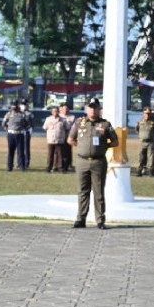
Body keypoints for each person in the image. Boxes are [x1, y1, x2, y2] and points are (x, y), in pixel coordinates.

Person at [67, 97, 118, 230]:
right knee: (83, 191)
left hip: (98, 161)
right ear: (86, 109)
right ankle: (80, 219)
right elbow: (70, 139)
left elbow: (115, 141)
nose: (92, 110)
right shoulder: (79, 123)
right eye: (90, 107)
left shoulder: (105, 124)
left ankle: (100, 220)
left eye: (95, 107)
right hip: (82, 161)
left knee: (98, 192)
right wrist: (82, 147)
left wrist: (103, 147)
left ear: (99, 109)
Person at [135, 107, 154, 177]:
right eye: (146, 114)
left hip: (150, 142)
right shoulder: (139, 121)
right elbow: (137, 130)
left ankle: (151, 171)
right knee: (141, 157)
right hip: (142, 142)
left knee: (151, 157)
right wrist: (142, 136)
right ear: (143, 114)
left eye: (148, 114)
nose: (147, 115)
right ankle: (139, 171)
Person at [1, 101, 29, 172]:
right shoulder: (8, 114)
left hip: (20, 134)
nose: (14, 107)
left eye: (15, 105)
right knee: (11, 151)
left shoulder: (22, 115)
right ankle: (9, 166)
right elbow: (3, 123)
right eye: (12, 105)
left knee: (21, 152)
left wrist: (23, 128)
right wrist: (6, 128)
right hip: (11, 134)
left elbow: (27, 124)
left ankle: (22, 167)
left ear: (17, 105)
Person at [42, 106, 67, 173]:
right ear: (52, 112)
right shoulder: (48, 119)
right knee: (50, 154)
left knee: (60, 155)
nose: (55, 113)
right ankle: (49, 167)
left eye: (57, 111)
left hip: (60, 140)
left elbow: (67, 128)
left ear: (59, 112)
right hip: (51, 140)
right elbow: (45, 128)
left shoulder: (63, 119)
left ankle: (60, 168)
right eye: (54, 111)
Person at [58, 103, 74, 172]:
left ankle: (68, 164)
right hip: (60, 136)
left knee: (68, 151)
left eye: (67, 109)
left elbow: (73, 127)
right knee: (59, 151)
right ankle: (59, 165)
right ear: (60, 109)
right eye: (64, 109)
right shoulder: (58, 117)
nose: (66, 110)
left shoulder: (72, 117)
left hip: (68, 136)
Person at [19, 99, 34, 169]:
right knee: (19, 148)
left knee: (26, 148)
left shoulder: (29, 114)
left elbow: (32, 124)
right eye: (22, 104)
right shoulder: (18, 113)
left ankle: (26, 163)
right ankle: (19, 162)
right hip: (19, 132)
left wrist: (30, 131)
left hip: (26, 131)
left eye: (25, 104)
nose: (23, 106)